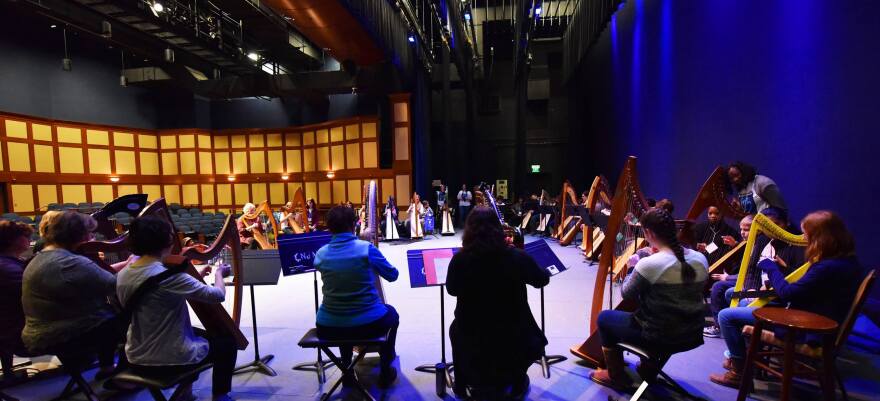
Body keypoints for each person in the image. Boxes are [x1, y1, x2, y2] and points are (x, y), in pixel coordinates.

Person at [709, 211, 869, 388]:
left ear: (821, 237)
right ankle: (743, 359)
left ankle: (738, 373)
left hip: (806, 327)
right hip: (815, 319)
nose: (804, 239)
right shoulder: (847, 262)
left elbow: (788, 293)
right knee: (742, 300)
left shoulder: (827, 267)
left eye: (807, 235)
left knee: (726, 316)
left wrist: (771, 267)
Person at [117, 215, 236, 401]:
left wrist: (196, 276)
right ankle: (220, 395)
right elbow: (217, 296)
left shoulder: (124, 273)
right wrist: (220, 274)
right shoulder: (169, 277)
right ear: (167, 241)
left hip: (135, 355)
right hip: (169, 359)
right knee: (227, 342)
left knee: (197, 334)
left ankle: (186, 394)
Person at [590, 208, 708, 390]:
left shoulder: (649, 264)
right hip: (691, 333)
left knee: (604, 318)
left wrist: (631, 267)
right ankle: (648, 367)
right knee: (656, 313)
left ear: (649, 233)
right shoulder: (700, 258)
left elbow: (626, 293)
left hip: (660, 336)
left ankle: (615, 376)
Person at [447, 206, 549, 398]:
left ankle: (461, 383)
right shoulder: (516, 257)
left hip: (471, 329)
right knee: (521, 330)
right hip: (512, 329)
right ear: (498, 229)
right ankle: (517, 379)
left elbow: (452, 290)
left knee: (456, 330)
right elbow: (541, 280)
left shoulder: (460, 259)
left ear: (469, 230)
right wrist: (521, 254)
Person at [20, 211, 126, 380]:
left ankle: (107, 367)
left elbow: (95, 279)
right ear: (78, 235)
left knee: (110, 315)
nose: (92, 237)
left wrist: (127, 265)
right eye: (89, 233)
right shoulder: (68, 263)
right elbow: (116, 286)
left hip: (40, 332)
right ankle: (127, 372)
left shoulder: (44, 256)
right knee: (128, 320)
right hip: (58, 335)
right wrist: (136, 267)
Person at [314, 206, 400, 387]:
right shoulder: (366, 249)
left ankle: (347, 371)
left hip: (328, 326)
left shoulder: (321, 254)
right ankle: (385, 369)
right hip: (367, 325)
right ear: (354, 225)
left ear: (329, 228)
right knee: (392, 314)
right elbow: (393, 275)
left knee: (343, 319)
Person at [704, 215, 753, 338]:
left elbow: (750, 274)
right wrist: (735, 245)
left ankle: (719, 326)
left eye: (746, 229)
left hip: (751, 283)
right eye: (741, 229)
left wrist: (728, 278)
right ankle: (726, 325)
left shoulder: (757, 245)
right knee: (721, 287)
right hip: (744, 280)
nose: (743, 233)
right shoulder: (746, 243)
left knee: (718, 286)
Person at [0, 221, 34, 379]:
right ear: (14, 240)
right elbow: (32, 297)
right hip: (17, 333)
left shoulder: (8, 263)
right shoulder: (8, 269)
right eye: (25, 236)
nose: (29, 239)